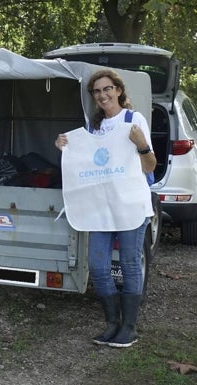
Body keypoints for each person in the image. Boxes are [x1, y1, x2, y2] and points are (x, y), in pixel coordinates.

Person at [55, 69, 156, 348]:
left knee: (129, 265)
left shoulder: (133, 120)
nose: (103, 95)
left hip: (131, 207)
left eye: (107, 89)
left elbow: (150, 167)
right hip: (101, 210)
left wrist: (143, 146)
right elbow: (84, 166)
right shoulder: (93, 128)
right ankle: (112, 323)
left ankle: (129, 328)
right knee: (98, 267)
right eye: (97, 91)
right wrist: (64, 146)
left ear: (119, 90)